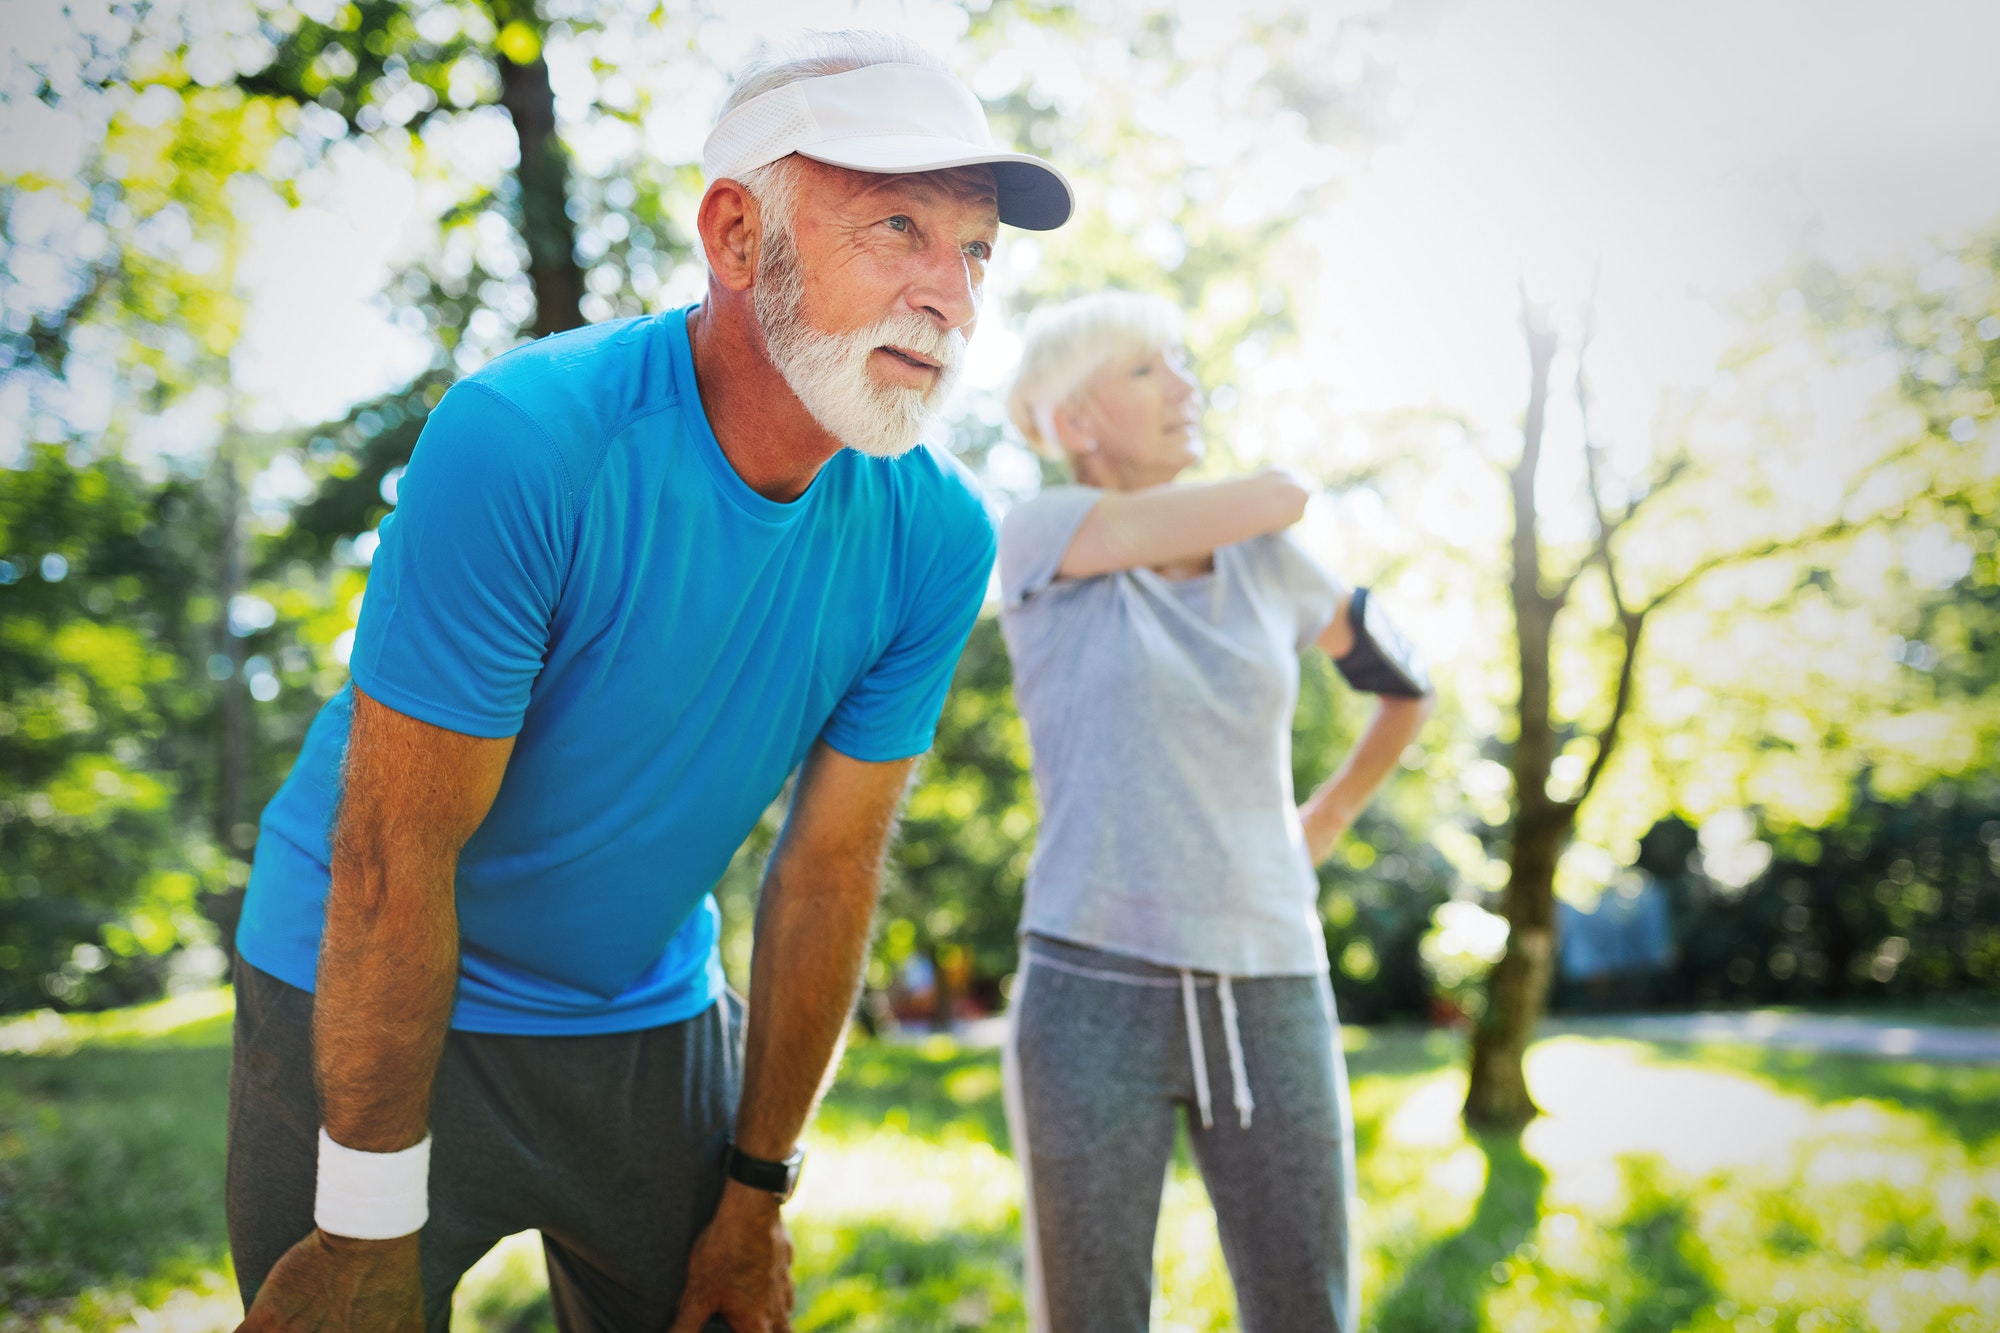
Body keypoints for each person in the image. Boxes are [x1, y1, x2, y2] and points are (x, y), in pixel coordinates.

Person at [225, 31, 1072, 1333]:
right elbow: (395, 854)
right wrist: (362, 1226)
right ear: (737, 236)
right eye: (897, 224)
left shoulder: (935, 536)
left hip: (644, 1010)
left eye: (973, 251)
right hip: (364, 979)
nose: (952, 297)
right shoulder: (525, 439)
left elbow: (830, 870)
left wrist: (758, 1193)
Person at [996, 290, 1435, 1333]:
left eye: (1181, 363)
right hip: (1087, 980)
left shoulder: (1273, 569)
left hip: (1269, 977)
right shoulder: (1040, 537)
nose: (1186, 388)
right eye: (1148, 370)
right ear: (1073, 422)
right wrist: (1278, 490)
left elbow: (1402, 688)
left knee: (1304, 1311)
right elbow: (1278, 493)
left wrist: (1320, 822)